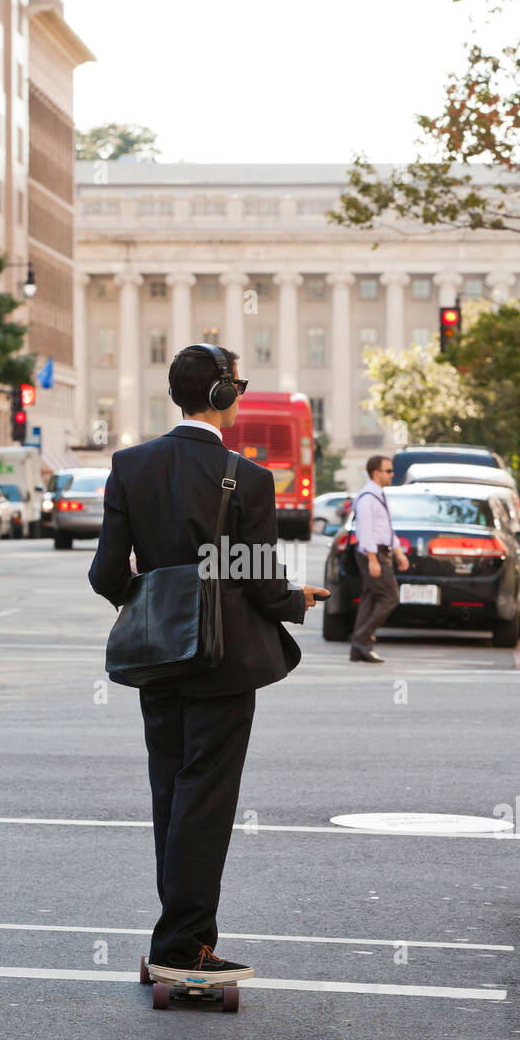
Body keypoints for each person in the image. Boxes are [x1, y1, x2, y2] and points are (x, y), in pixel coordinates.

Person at [88, 344, 329, 983]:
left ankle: (179, 934)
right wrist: (296, 600)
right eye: (238, 385)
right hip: (223, 660)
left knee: (170, 790)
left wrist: (152, 605)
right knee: (206, 797)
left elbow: (105, 572)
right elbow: (256, 578)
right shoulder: (246, 477)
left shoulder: (129, 465)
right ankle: (183, 942)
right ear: (223, 396)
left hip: (156, 655)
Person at [348, 454, 409, 664]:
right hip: (372, 554)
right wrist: (373, 559)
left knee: (371, 597)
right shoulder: (367, 498)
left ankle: (359, 648)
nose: (392, 474)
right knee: (390, 596)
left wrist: (398, 552)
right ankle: (362, 639)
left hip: (381, 552)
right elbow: (365, 532)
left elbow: (385, 529)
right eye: (389, 471)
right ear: (376, 473)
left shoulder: (379, 495)